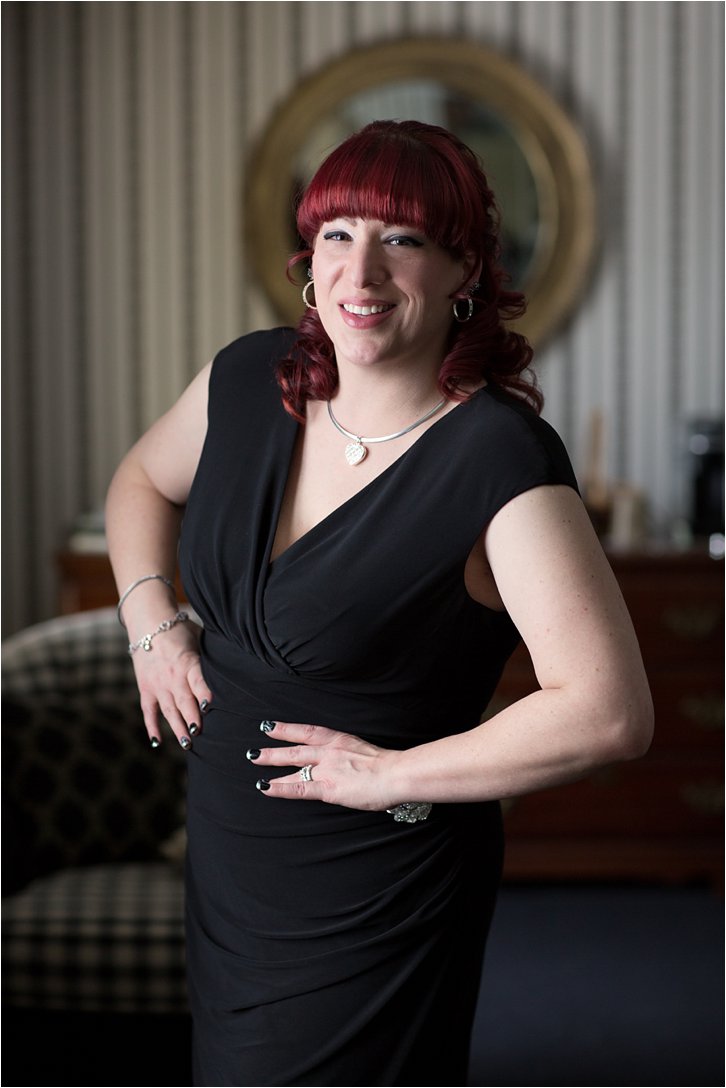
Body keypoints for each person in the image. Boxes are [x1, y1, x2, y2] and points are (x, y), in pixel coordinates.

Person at [105, 119, 653, 1087]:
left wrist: (393, 774)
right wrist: (154, 625)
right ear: (309, 259)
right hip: (235, 841)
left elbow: (608, 710)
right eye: (338, 234)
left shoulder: (498, 460)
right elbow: (142, 481)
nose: (363, 271)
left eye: (402, 239)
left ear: (462, 270)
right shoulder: (249, 377)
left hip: (378, 873)